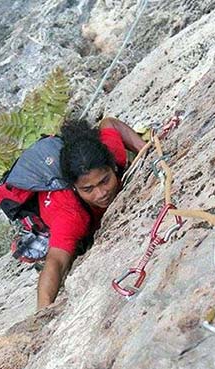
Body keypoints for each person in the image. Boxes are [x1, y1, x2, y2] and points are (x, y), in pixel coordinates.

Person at [36, 117, 146, 309]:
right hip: (56, 213)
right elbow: (56, 261)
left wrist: (144, 149)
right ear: (74, 188)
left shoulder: (112, 155)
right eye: (88, 189)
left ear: (113, 166)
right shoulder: (69, 215)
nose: (101, 193)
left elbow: (109, 123)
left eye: (105, 181)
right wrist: (42, 311)